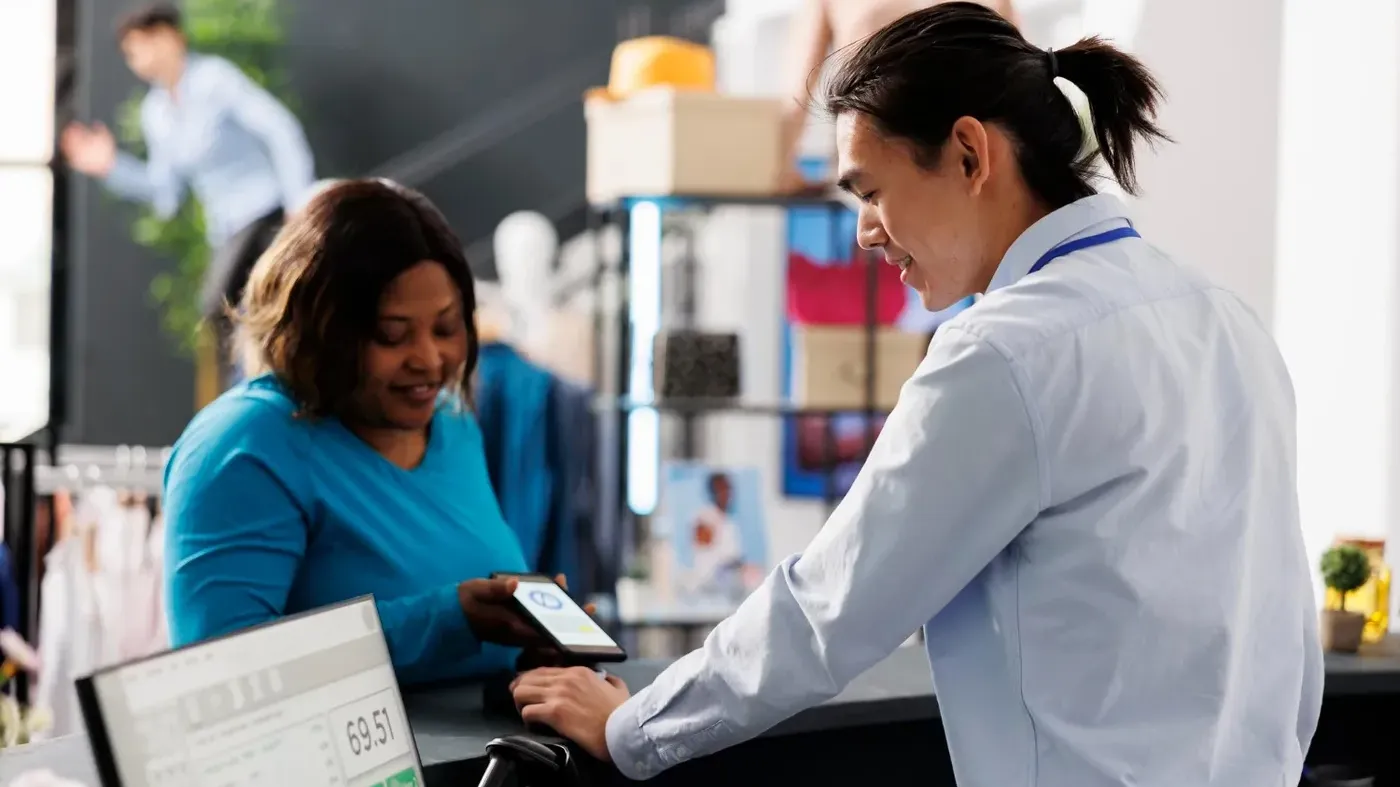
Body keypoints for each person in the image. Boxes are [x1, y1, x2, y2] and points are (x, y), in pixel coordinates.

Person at [511, 5, 1323, 785]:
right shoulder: (1223, 314)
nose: (864, 229)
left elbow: (829, 609)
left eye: (870, 189)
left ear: (970, 155)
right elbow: (1282, 627)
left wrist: (632, 729)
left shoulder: (1003, 353)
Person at [163, 179, 556, 685]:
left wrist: (526, 649)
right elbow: (220, 674)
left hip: (493, 763)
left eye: (446, 328)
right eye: (392, 335)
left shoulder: (451, 423)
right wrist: (448, 620)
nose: (430, 360)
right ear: (318, 329)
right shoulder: (243, 446)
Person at [59, 3, 315, 380]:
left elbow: (281, 129)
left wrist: (300, 202)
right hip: (225, 231)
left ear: (169, 37)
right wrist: (111, 166)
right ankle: (251, 404)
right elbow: (166, 192)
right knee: (232, 321)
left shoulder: (215, 79)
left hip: (265, 216)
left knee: (223, 308)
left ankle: (257, 401)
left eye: (141, 45)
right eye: (130, 53)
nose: (137, 60)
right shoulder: (155, 113)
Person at [778, 0, 1018, 192]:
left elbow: (1019, 74)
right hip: (882, 155)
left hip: (968, 158)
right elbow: (798, 91)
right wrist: (782, 163)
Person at [684, 473, 749, 599]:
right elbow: (703, 545)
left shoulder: (730, 522)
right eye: (722, 489)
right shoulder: (704, 516)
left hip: (730, 583)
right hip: (708, 584)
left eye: (728, 489)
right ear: (713, 492)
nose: (727, 494)